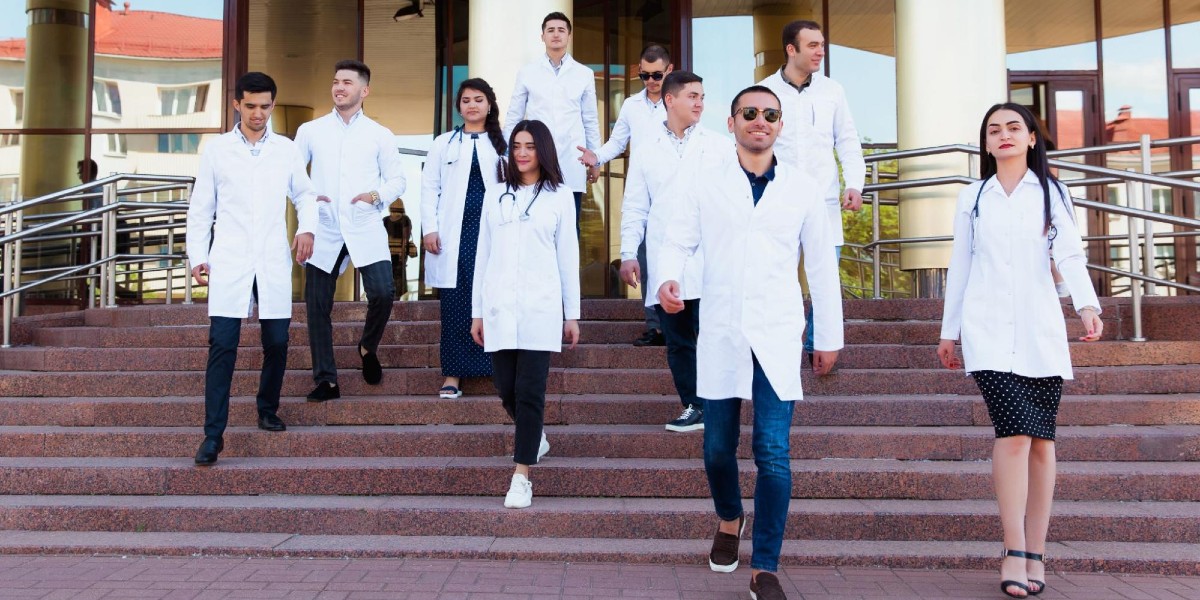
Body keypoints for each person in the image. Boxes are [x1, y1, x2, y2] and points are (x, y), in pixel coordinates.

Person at [655, 85, 843, 600]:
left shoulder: (803, 188)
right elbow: (676, 240)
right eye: (750, 113)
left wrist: (828, 336)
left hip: (779, 331)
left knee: (772, 451)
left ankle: (765, 566)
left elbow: (823, 268)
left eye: (770, 114)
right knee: (717, 449)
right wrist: (668, 279)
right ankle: (729, 516)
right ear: (733, 121)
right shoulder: (706, 182)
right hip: (721, 328)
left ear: (780, 125)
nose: (760, 120)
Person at [937, 102, 1103, 599]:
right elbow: (960, 267)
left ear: (1032, 138)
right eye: (994, 130)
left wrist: (1087, 306)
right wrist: (950, 332)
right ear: (985, 144)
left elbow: (1069, 252)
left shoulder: (1053, 193)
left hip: (1039, 331)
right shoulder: (974, 198)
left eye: (1014, 127)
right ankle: (1012, 550)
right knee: (1013, 436)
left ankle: (1036, 551)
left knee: (1042, 444)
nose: (1004, 135)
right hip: (987, 332)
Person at [186, 71, 318, 466]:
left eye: (265, 106)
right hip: (229, 257)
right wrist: (198, 255)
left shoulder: (286, 149)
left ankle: (267, 407)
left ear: (273, 106)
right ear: (236, 105)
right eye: (250, 106)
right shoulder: (217, 150)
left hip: (272, 257)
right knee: (223, 345)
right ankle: (213, 436)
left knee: (277, 341)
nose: (258, 114)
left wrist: (307, 229)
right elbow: (200, 208)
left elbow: (305, 195)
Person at [471, 119, 580, 509]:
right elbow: (483, 256)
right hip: (500, 305)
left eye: (530, 146)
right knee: (505, 387)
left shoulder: (559, 196)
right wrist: (477, 311)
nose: (521, 152)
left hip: (541, 307)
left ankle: (521, 476)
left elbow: (569, 257)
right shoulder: (495, 194)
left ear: (543, 150)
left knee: (531, 391)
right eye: (516, 145)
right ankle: (535, 436)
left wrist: (572, 313)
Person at [619, 70, 731, 433]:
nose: (700, 102)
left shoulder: (719, 145)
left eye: (702, 96)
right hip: (667, 259)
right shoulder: (647, 148)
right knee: (679, 340)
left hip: (712, 257)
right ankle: (693, 404)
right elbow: (635, 206)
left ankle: (718, 403)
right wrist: (627, 253)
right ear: (670, 99)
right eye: (692, 96)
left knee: (714, 336)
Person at [294, 59, 406, 402]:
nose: (339, 87)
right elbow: (293, 176)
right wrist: (310, 204)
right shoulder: (311, 130)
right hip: (325, 225)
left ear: (364, 90)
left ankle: (367, 346)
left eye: (346, 82)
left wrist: (376, 196)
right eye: (335, 81)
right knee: (316, 304)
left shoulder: (379, 134)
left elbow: (398, 180)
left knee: (384, 292)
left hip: (364, 222)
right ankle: (326, 379)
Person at [758, 20, 864, 369]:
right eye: (813, 45)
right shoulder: (764, 91)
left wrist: (854, 184)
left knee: (827, 278)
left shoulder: (833, 91)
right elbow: (753, 145)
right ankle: (781, 342)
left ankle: (819, 343)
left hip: (824, 202)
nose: (821, 51)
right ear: (792, 49)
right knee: (779, 277)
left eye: (822, 44)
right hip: (778, 201)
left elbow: (847, 140)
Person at [577, 45, 674, 347]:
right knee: (644, 254)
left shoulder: (679, 102)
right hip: (642, 189)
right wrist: (597, 157)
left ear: (669, 71)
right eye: (645, 75)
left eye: (656, 74)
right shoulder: (632, 105)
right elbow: (617, 142)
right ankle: (655, 326)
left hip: (676, 187)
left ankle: (681, 325)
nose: (650, 80)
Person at [422, 78, 507, 399]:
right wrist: (430, 227)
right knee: (456, 304)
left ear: (489, 105)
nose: (472, 105)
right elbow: (429, 188)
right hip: (454, 237)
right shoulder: (443, 143)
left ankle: (497, 371)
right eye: (466, 100)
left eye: (479, 99)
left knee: (493, 301)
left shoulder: (505, 143)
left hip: (493, 234)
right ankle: (453, 376)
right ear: (459, 106)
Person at [503, 11, 601, 230]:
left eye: (561, 30)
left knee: (568, 225)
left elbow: (591, 119)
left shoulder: (583, 74)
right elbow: (514, 116)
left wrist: (597, 159)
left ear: (569, 36)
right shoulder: (527, 72)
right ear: (542, 36)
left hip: (572, 157)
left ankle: (567, 267)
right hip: (536, 155)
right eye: (550, 30)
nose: (556, 35)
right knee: (535, 222)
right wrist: (506, 154)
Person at [383, 199, 416, 298]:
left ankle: (389, 298)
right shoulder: (405, 219)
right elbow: (406, 238)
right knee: (398, 278)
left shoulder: (385, 220)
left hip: (387, 253)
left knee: (387, 277)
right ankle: (396, 298)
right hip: (400, 254)